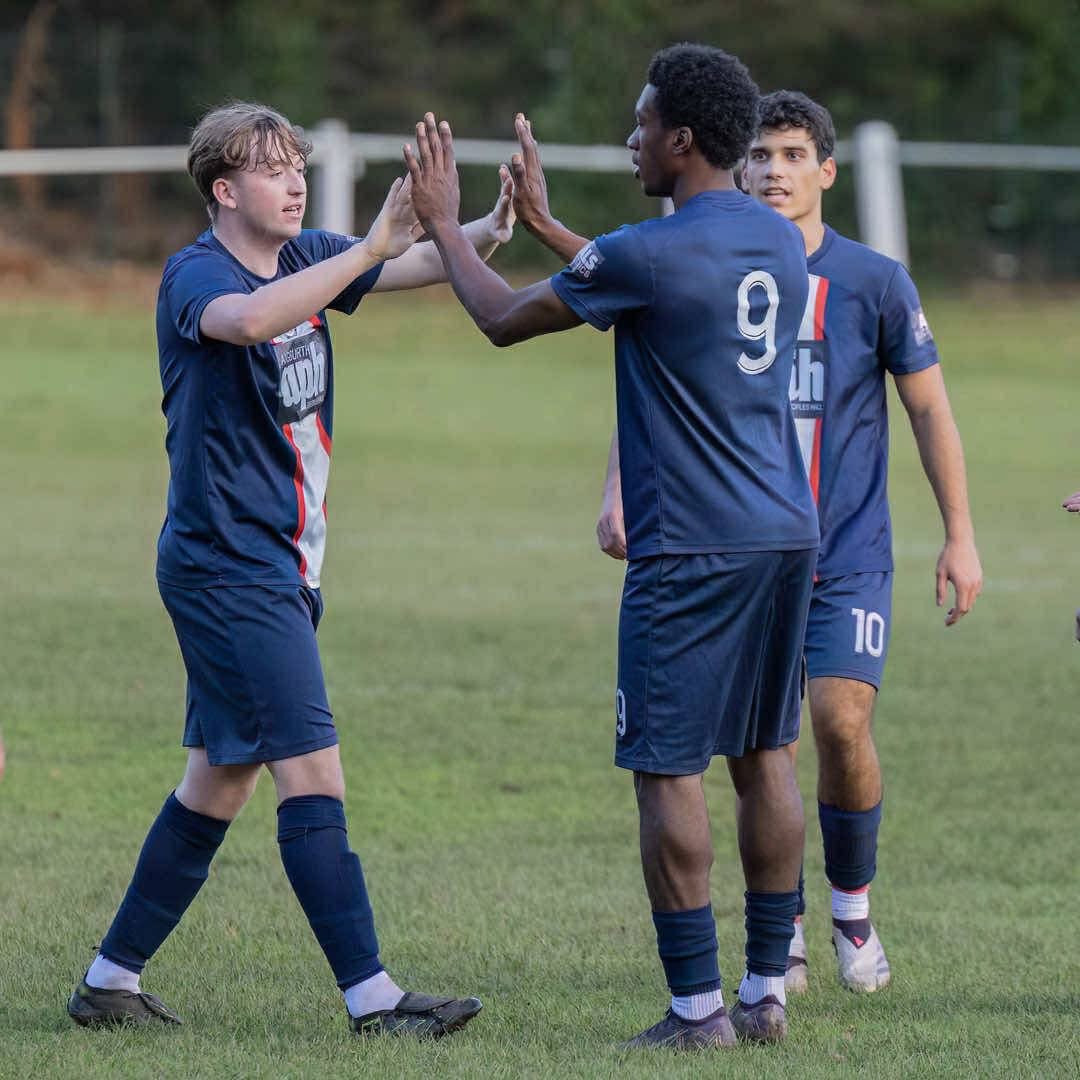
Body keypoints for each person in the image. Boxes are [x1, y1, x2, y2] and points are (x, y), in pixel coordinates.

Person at [67, 100, 515, 1038]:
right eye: (272, 169)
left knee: (219, 779)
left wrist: (482, 226)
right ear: (225, 190)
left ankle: (109, 982)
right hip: (228, 567)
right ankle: (375, 1001)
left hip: (280, 565)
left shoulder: (309, 254)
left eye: (296, 165)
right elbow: (247, 320)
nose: (294, 179)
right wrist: (365, 249)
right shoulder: (197, 274)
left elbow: (416, 263)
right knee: (311, 772)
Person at [403, 43, 819, 1048]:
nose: (631, 139)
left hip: (689, 547)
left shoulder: (645, 252)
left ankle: (695, 1013)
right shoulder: (774, 241)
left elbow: (501, 317)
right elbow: (655, 279)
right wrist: (547, 225)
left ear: (681, 138)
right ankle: (766, 993)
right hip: (785, 532)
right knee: (765, 754)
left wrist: (440, 225)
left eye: (641, 123)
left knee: (667, 770)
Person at [595, 90, 984, 993]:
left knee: (839, 723)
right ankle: (789, 929)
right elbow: (660, 384)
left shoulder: (876, 282)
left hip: (842, 551)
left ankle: (852, 907)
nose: (774, 170)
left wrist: (959, 537)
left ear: (826, 171)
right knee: (762, 752)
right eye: (761, 155)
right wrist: (616, 487)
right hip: (740, 548)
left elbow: (928, 408)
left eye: (793, 155)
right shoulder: (711, 259)